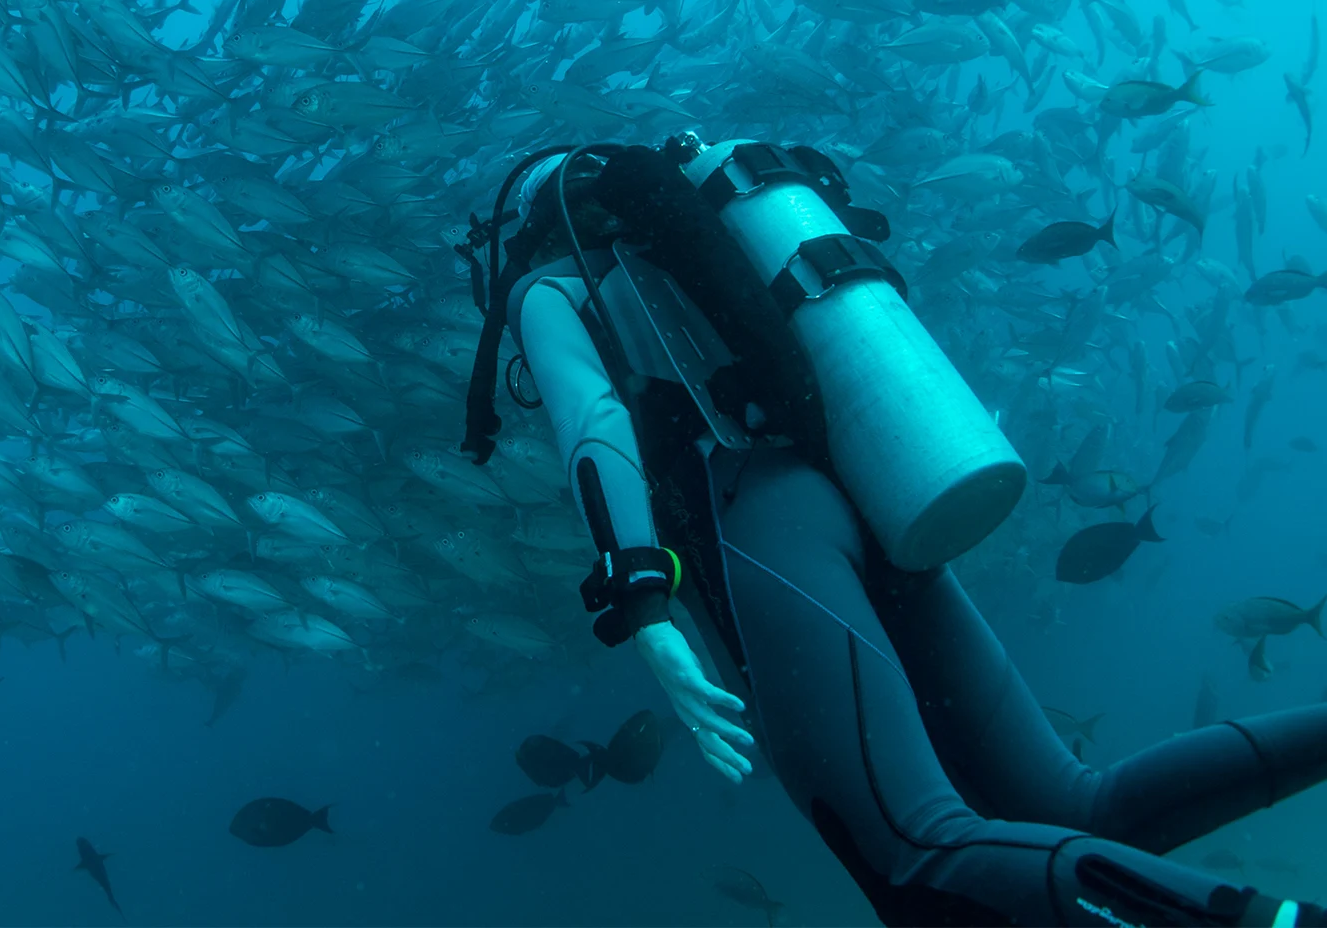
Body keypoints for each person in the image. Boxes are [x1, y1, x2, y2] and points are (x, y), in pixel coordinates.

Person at [459, 137, 1327, 928]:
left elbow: (595, 425)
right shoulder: (708, 261)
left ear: (540, 226)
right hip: (864, 496)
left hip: (763, 524)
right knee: (1076, 806)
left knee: (915, 856)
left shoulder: (550, 290)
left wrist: (645, 607)